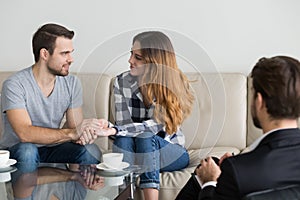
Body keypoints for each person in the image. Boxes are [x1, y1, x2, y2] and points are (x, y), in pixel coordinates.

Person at [178, 55, 300, 200]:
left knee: (203, 172)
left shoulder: (237, 171)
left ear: (259, 102)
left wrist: (209, 182)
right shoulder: (237, 168)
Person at [95, 31, 195, 200]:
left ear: (154, 62)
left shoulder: (173, 84)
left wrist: (115, 130)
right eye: (131, 54)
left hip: (171, 152)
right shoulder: (121, 82)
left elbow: (156, 127)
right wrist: (117, 130)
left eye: (138, 57)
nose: (130, 60)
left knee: (145, 137)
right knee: (123, 139)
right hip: (134, 152)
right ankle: (126, 196)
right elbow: (123, 124)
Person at [0, 23, 102, 171]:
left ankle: (81, 189)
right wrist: (72, 133)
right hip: (20, 150)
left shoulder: (72, 83)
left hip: (54, 147)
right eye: (64, 53)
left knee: (91, 151)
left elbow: (75, 128)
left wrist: (86, 133)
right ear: (45, 54)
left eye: (71, 52)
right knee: (28, 151)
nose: (71, 59)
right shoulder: (15, 84)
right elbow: (25, 134)